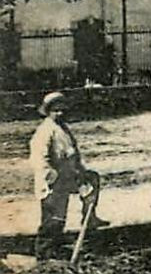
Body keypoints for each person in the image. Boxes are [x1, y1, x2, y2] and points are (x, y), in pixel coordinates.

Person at [31, 92, 105, 261]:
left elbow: (74, 154)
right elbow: (39, 158)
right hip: (52, 180)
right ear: (48, 111)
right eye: (56, 111)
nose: (60, 114)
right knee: (54, 218)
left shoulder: (63, 129)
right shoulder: (45, 131)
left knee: (92, 179)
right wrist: (50, 175)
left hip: (69, 176)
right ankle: (45, 255)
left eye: (62, 110)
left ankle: (89, 217)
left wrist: (80, 171)